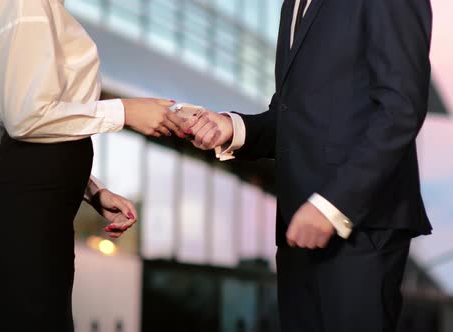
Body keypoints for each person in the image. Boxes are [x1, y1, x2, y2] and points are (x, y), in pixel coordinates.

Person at [179, 0, 433, 331]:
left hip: (359, 227)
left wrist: (332, 204)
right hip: (299, 229)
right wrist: (232, 128)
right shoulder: (293, 5)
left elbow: (401, 111)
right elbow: (292, 118)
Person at [0, 0, 183, 330]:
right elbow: (27, 118)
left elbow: (34, 120)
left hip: (33, 205)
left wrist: (90, 188)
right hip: (26, 208)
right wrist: (125, 112)